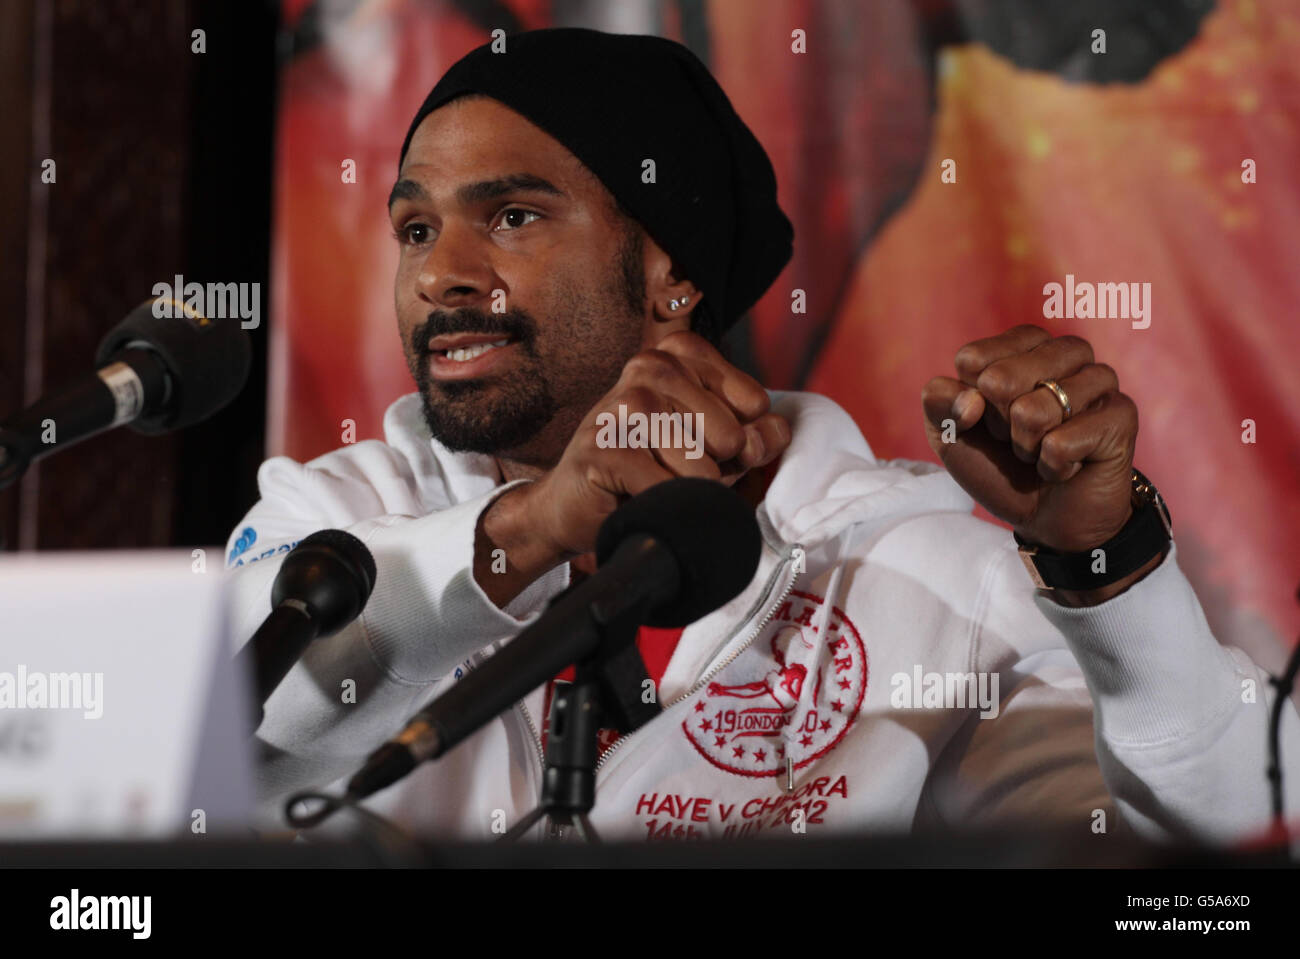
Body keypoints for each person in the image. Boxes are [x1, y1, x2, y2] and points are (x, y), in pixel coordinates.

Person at [228, 28, 1297, 845]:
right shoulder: (333, 518)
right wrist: (534, 528)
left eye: (512, 215)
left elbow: (1203, 839)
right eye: (416, 226)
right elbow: (237, 738)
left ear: (673, 274)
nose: (439, 271)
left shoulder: (916, 571)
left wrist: (1104, 572)